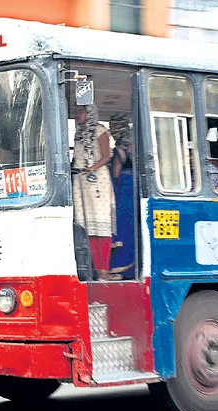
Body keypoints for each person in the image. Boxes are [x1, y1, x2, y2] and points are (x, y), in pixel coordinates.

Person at [72, 104, 116, 281]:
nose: (77, 115)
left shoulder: (100, 130)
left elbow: (106, 157)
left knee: (101, 225)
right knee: (86, 225)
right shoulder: (78, 133)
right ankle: (93, 268)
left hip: (97, 179)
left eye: (81, 112)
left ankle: (103, 269)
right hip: (80, 179)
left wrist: (91, 169)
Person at [108, 113, 135, 280]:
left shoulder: (120, 148)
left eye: (114, 127)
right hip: (135, 187)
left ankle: (119, 267)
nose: (112, 131)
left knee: (122, 227)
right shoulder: (134, 143)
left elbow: (116, 173)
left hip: (123, 189)